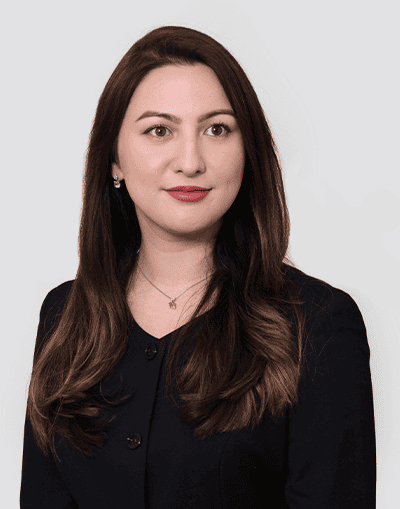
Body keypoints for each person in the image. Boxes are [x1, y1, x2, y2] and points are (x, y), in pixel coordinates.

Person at [20, 26, 376, 508]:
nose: (190, 162)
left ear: (247, 153)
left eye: (217, 129)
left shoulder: (319, 325)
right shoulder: (64, 315)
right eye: (159, 130)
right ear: (114, 160)